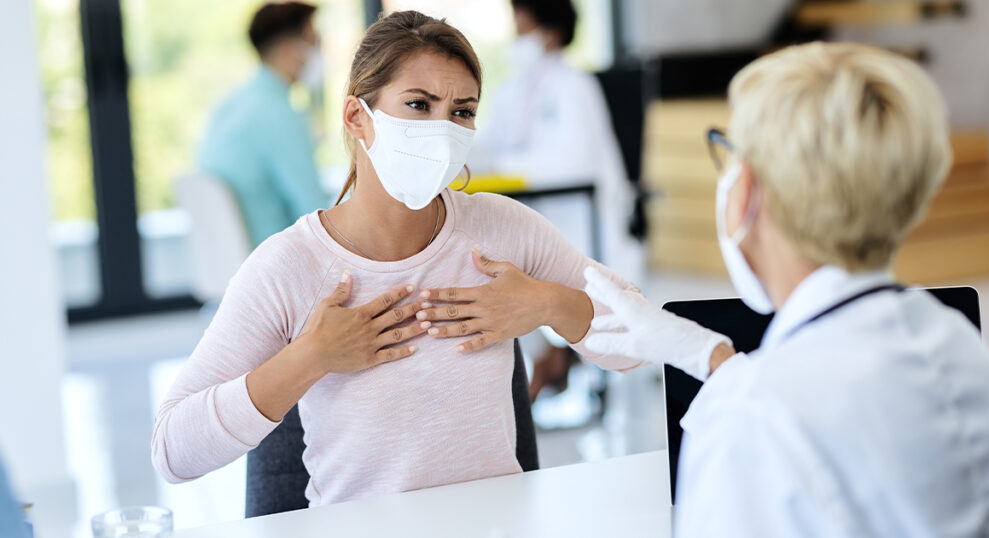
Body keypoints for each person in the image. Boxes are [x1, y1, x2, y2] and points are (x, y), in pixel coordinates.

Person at [152, 11, 642, 507]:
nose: (443, 130)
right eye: (418, 104)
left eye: (462, 111)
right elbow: (172, 451)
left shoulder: (503, 228)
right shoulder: (290, 266)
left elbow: (639, 339)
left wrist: (548, 305)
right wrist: (311, 357)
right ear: (356, 117)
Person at [583, 42, 989, 536]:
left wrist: (735, 394)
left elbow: (787, 425)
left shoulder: (751, 427)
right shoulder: (959, 346)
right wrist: (708, 357)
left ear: (745, 189)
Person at [470, 0, 643, 404]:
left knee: (528, 269)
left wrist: (508, 166)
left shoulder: (574, 86)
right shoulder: (513, 89)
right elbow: (488, 148)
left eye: (522, 28)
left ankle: (557, 360)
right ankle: (547, 358)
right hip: (536, 211)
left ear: (549, 33)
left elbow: (572, 161)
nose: (516, 39)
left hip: (580, 221)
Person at [196, 1, 328, 248]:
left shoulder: (228, 106)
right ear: (291, 49)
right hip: (274, 265)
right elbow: (315, 211)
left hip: (238, 266)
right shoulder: (279, 114)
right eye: (314, 41)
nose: (321, 51)